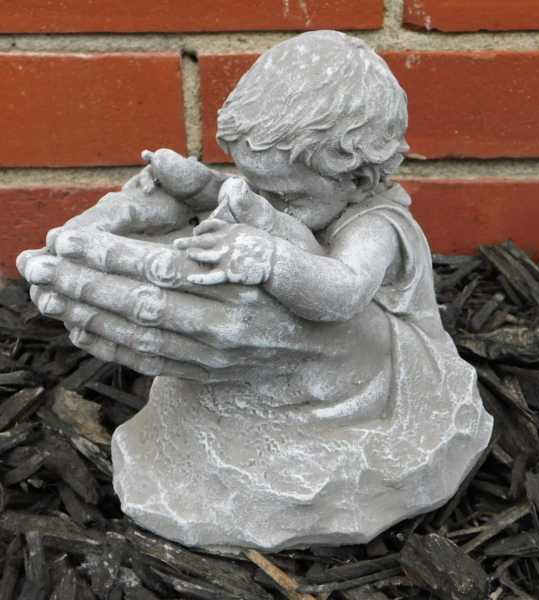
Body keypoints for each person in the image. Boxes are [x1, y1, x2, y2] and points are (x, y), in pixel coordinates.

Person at [16, 30, 492, 549]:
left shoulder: (376, 227)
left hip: (378, 383)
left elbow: (341, 293)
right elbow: (268, 207)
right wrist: (201, 188)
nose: (262, 203)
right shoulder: (314, 197)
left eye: (281, 195)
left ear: (356, 181)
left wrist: (268, 258)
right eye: (251, 183)